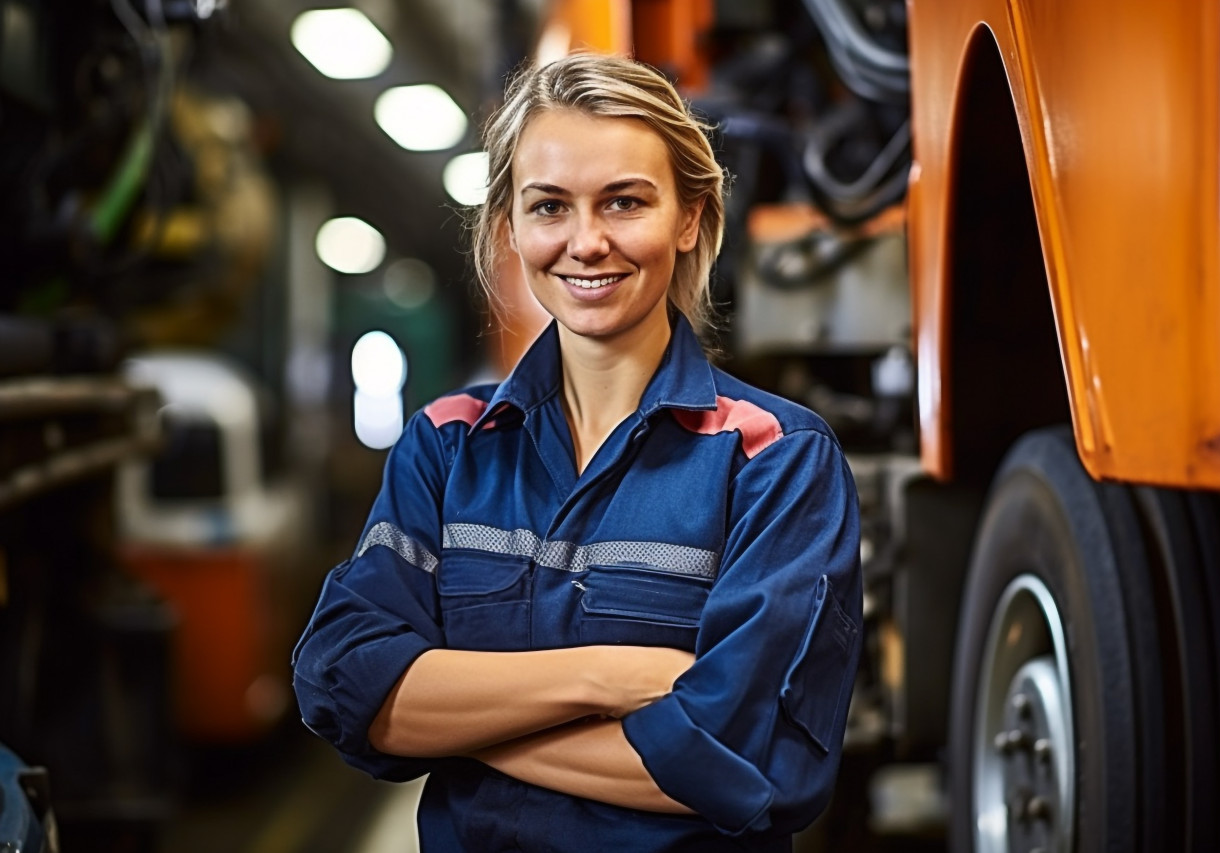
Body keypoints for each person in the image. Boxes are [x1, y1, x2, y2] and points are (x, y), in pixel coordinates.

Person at [292, 51, 863, 852]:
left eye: (624, 202)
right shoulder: (446, 446)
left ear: (690, 216)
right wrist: (610, 677)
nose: (586, 242)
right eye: (550, 206)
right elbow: (343, 682)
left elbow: (753, 758)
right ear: (511, 227)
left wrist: (452, 723)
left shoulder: (774, 460)